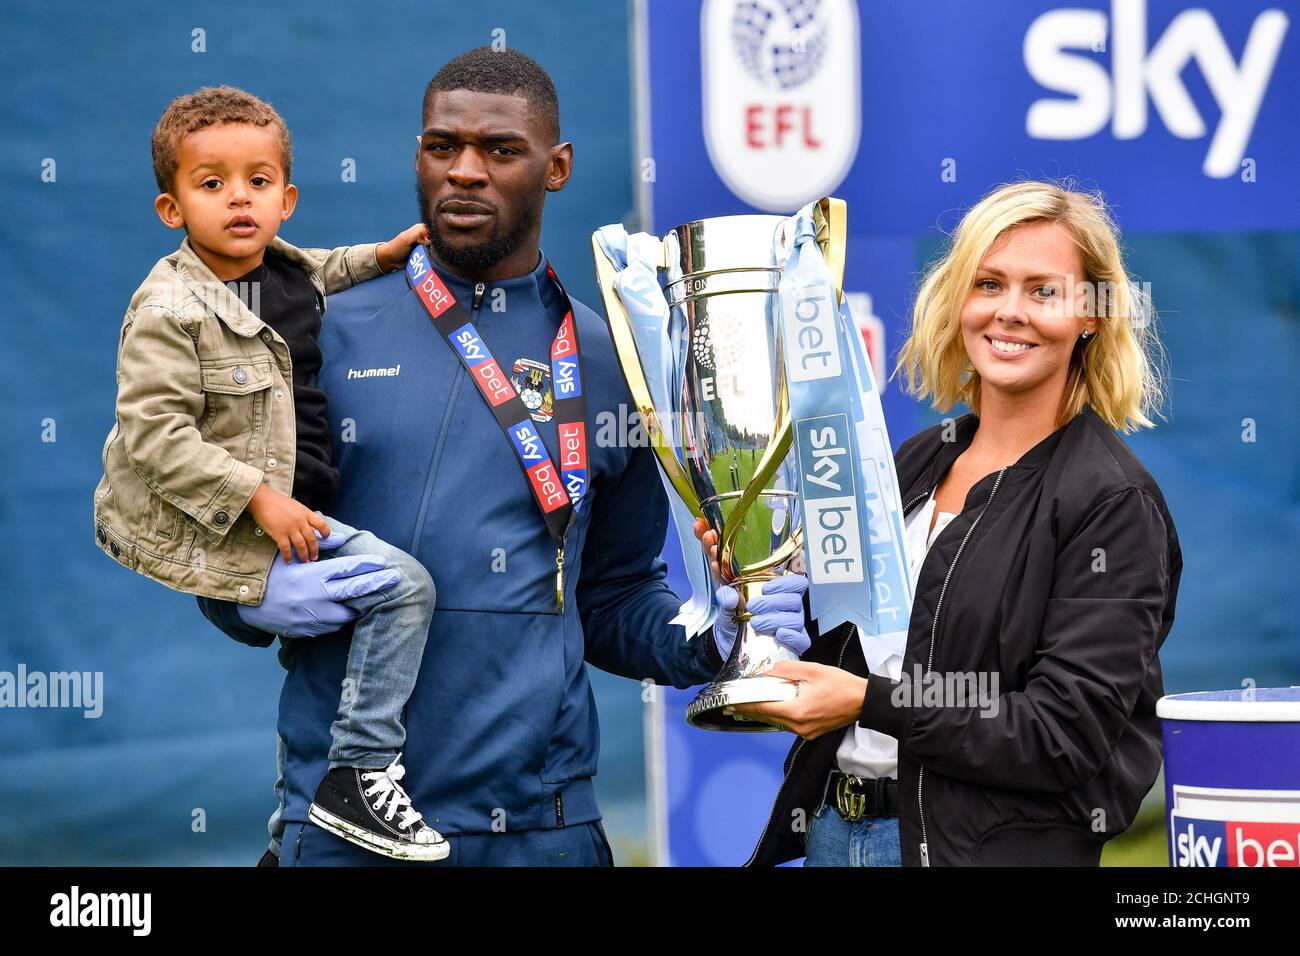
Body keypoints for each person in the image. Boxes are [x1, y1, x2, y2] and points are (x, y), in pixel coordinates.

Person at [197, 48, 812, 867]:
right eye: (442, 147)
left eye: (501, 150)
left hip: (542, 828)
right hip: (345, 825)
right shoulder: (319, 328)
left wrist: (713, 634)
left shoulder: (612, 357)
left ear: (555, 168)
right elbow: (215, 530)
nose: (467, 172)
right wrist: (246, 593)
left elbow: (614, 594)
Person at [704, 180, 1183, 866]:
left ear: (1091, 315)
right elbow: (874, 650)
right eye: (988, 284)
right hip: (837, 837)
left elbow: (1062, 733)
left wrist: (869, 703)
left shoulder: (1111, 502)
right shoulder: (920, 459)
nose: (1009, 312)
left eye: (1042, 291)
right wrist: (762, 591)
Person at [92, 85, 449, 862]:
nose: (238, 200)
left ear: (286, 199)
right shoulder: (169, 307)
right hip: (236, 542)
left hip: (287, 524)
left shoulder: (281, 270)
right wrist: (259, 497)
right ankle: (358, 776)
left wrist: (384, 258)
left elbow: (324, 268)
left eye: (257, 182)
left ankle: (291, 837)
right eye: (210, 184)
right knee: (406, 588)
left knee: (323, 664)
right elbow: (154, 433)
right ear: (171, 208)